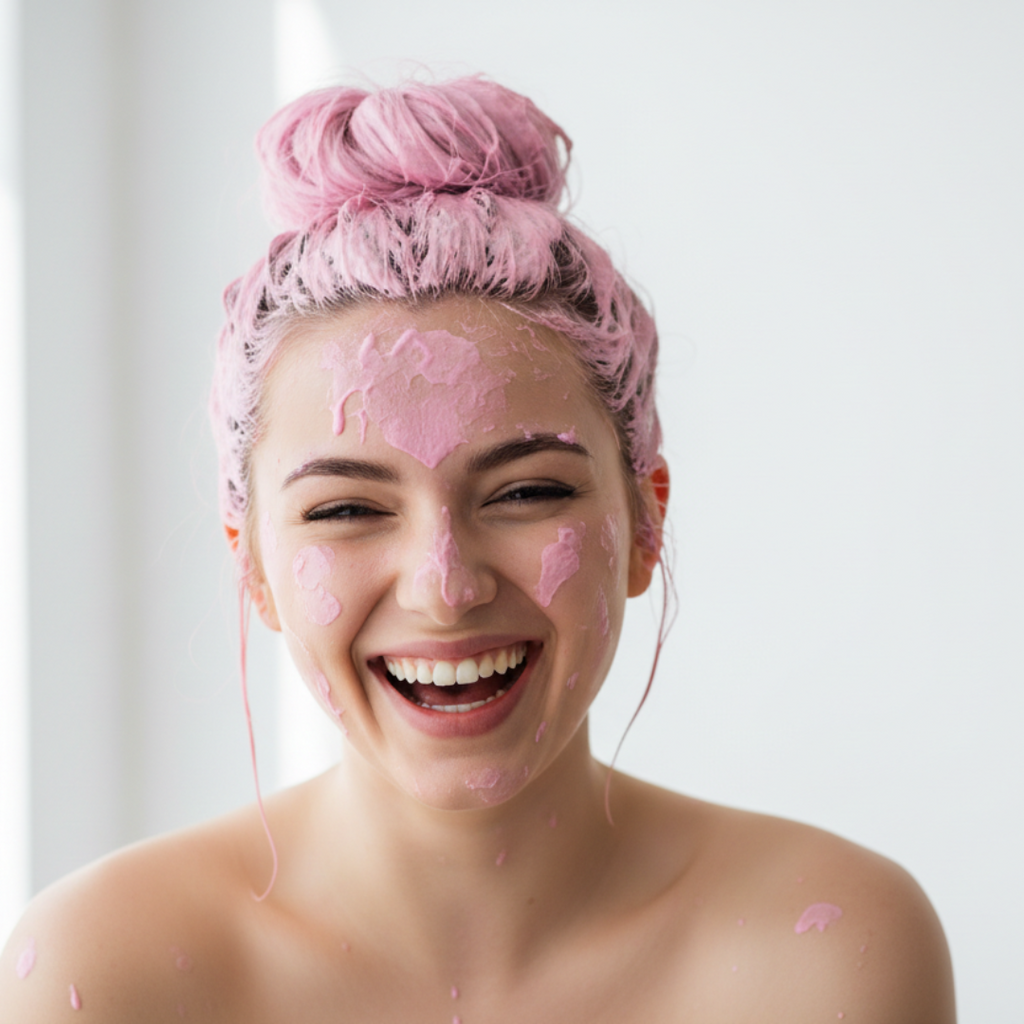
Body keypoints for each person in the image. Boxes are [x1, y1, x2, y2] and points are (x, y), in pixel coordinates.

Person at [2, 76, 955, 1022]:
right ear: (252, 564)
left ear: (645, 524)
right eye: (345, 511)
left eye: (528, 492)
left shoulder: (826, 954)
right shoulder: (104, 977)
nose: (445, 587)